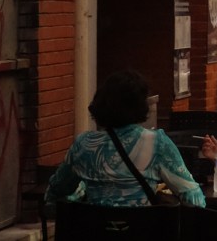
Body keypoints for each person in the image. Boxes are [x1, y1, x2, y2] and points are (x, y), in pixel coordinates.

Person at [46, 70, 205, 208]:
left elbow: (57, 190)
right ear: (141, 105)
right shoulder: (156, 143)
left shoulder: (84, 144)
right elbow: (193, 198)